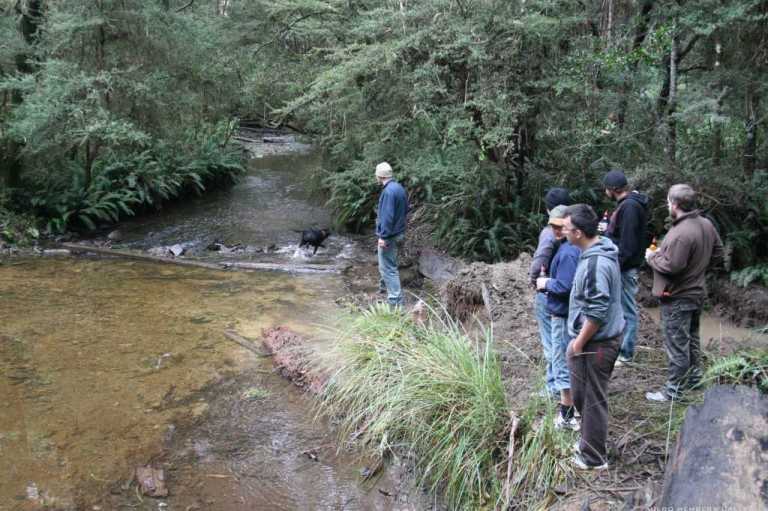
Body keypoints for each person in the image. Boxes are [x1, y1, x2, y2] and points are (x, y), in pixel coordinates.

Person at [645, 184, 723, 402]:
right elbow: (718, 253)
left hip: (677, 296)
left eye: (669, 201)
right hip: (696, 293)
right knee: (692, 340)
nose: (668, 205)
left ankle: (673, 392)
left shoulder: (681, 232)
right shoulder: (706, 224)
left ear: (675, 204)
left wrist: (652, 258)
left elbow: (672, 267)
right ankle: (694, 380)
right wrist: (697, 269)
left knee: (677, 345)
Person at [563, 204, 625, 470]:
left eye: (565, 228)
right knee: (584, 395)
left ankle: (593, 457)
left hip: (596, 344)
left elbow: (597, 311)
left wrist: (577, 344)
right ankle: (588, 443)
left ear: (577, 233)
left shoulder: (596, 263)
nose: (562, 232)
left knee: (592, 398)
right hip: (595, 341)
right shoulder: (596, 252)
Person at [536, 205, 581, 430]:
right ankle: (574, 409)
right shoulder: (567, 247)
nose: (555, 230)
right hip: (565, 313)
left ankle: (567, 416)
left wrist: (545, 283)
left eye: (560, 226)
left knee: (562, 362)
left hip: (562, 315)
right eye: (552, 226)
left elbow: (565, 286)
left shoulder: (569, 252)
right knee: (566, 361)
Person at [602, 169, 650, 365]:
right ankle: (620, 348)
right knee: (620, 308)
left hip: (624, 267)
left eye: (606, 188)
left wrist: (616, 266)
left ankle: (626, 353)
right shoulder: (628, 204)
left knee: (627, 310)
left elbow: (628, 244)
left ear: (612, 189)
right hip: (623, 265)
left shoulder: (630, 207)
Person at [530, 187, 572, 398]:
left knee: (552, 341)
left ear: (548, 209)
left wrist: (536, 280)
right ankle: (555, 383)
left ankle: (554, 386)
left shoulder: (550, 233)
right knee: (559, 341)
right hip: (560, 292)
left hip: (551, 292)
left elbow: (540, 259)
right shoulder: (575, 231)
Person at [375, 161, 409, 307]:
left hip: (390, 235)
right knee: (387, 264)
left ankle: (395, 303)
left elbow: (387, 217)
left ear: (379, 176)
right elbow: (407, 209)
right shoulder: (399, 188)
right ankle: (383, 289)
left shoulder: (388, 192)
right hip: (399, 232)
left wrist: (383, 236)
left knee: (389, 268)